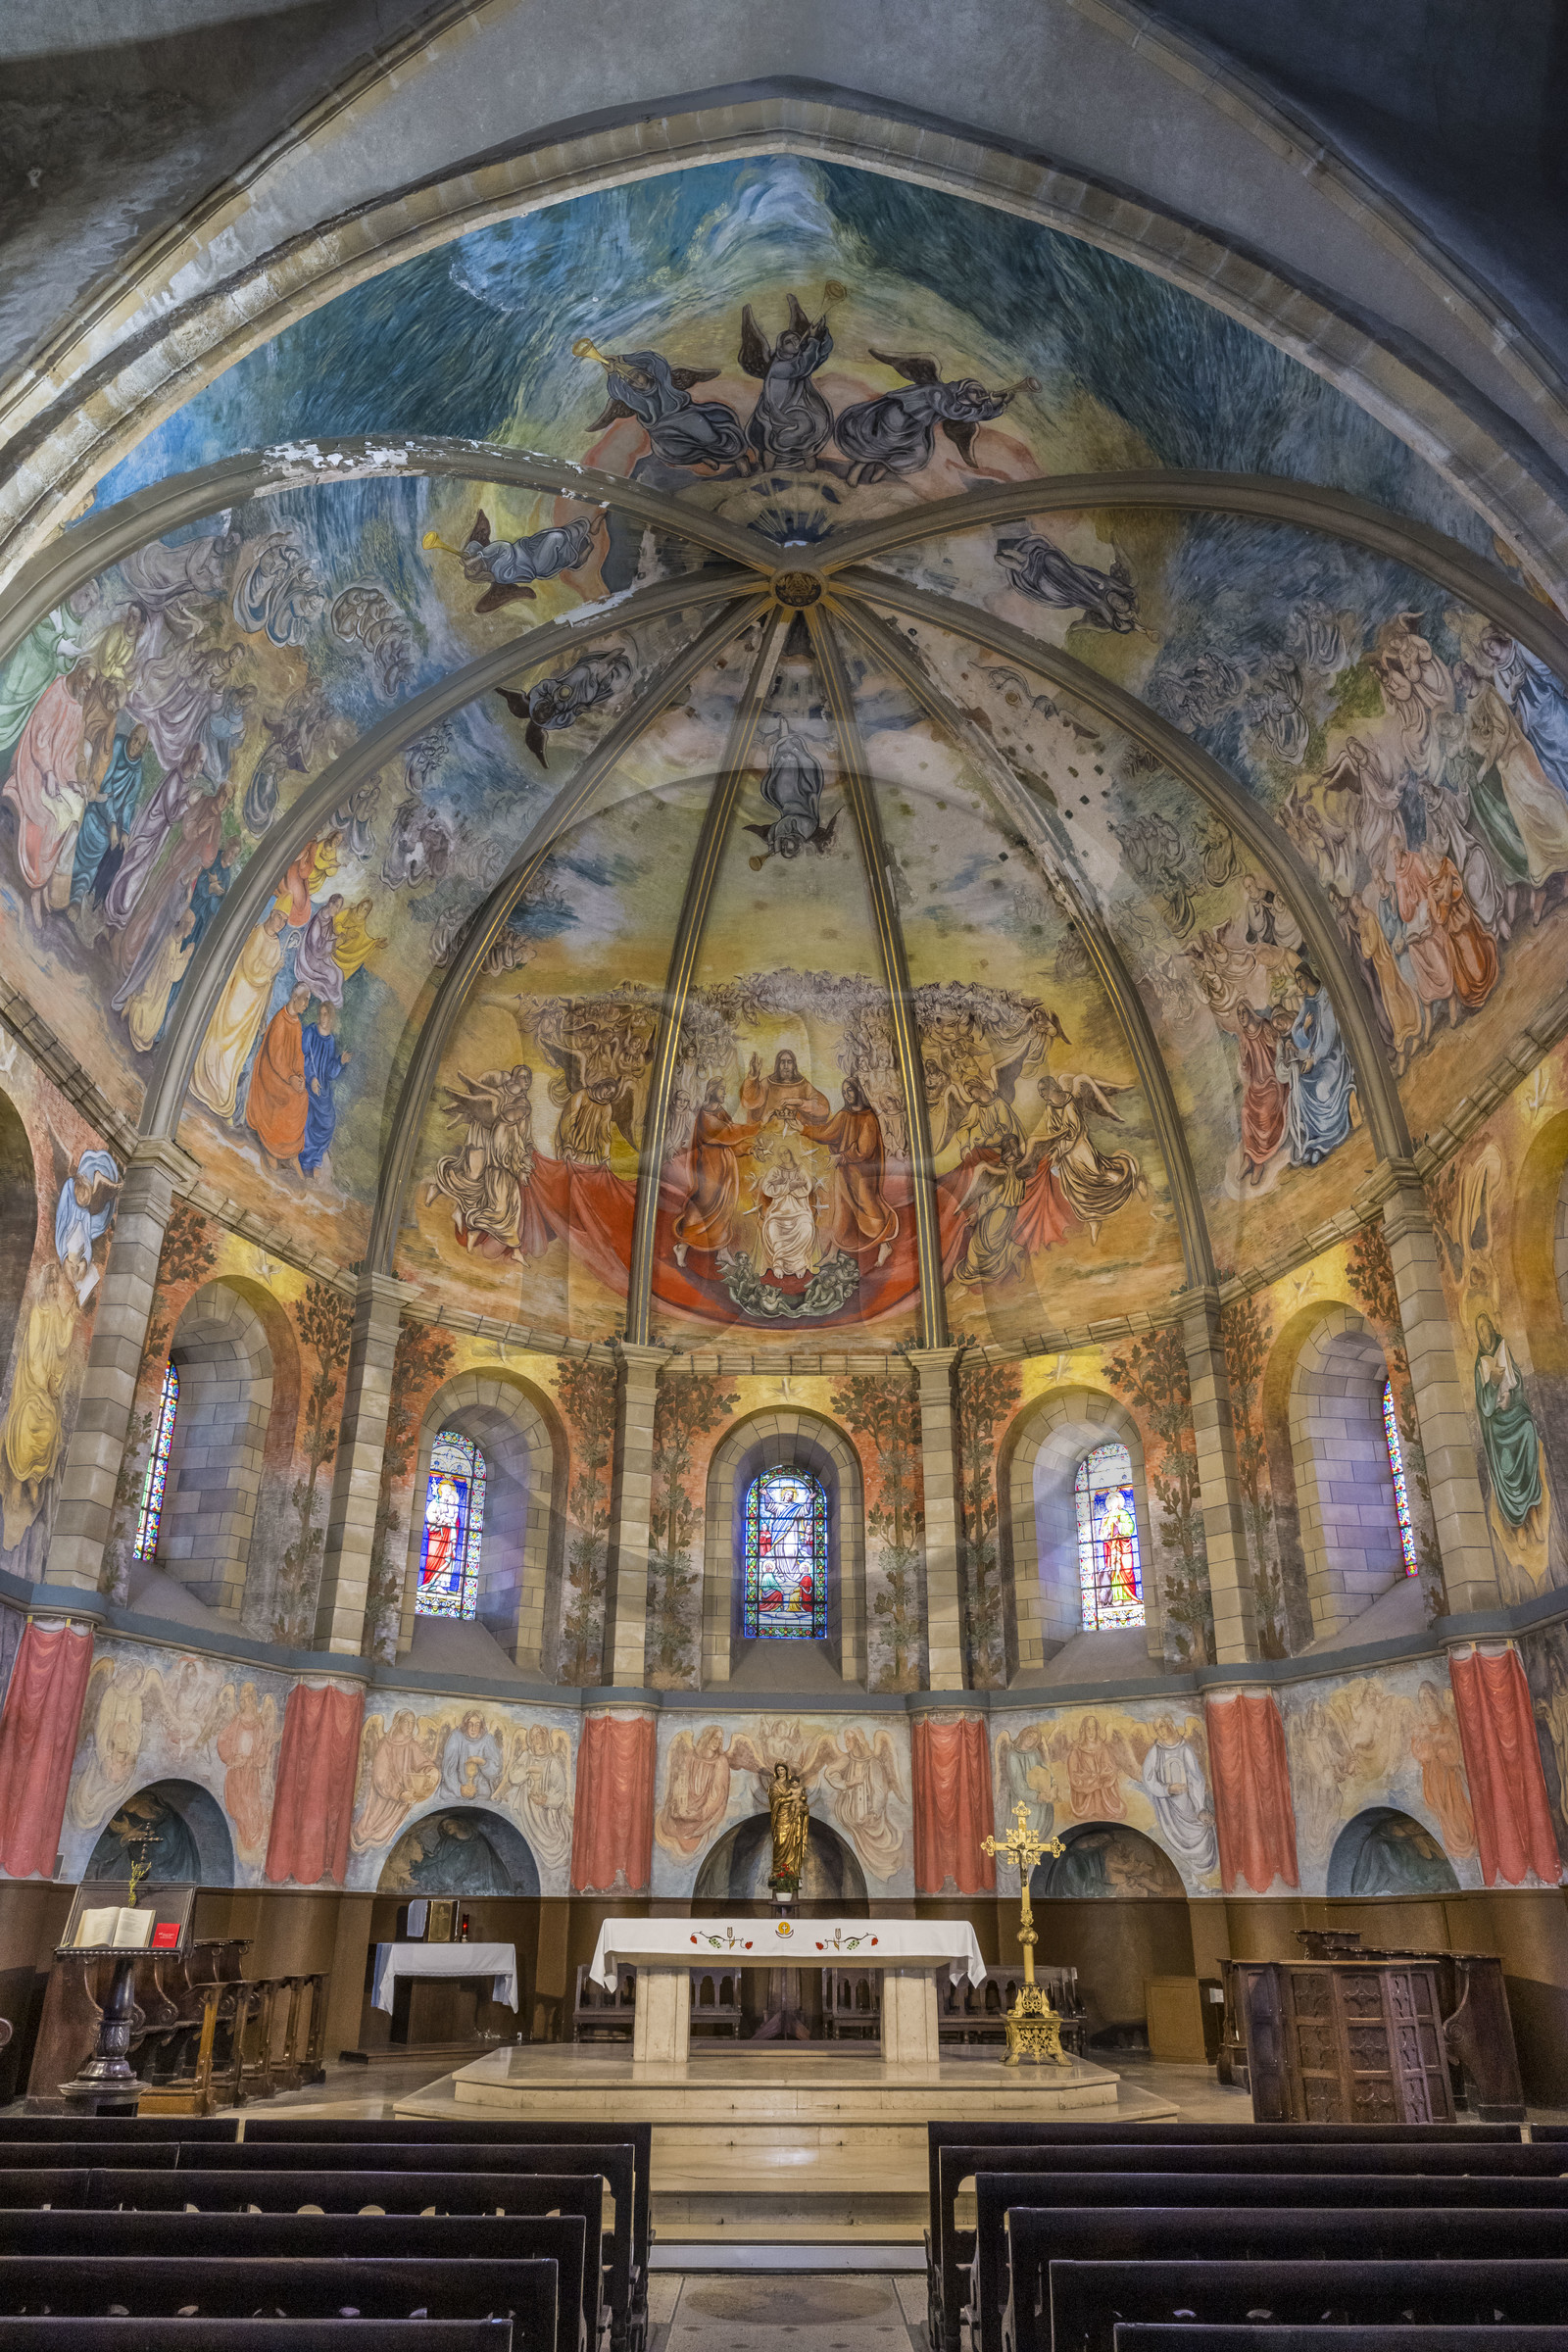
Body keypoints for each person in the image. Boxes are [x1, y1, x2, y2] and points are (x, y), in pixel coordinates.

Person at [192, 907, 287, 1120]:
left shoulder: (276, 944)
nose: (281, 923)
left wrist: (263, 1014)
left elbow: (269, 985)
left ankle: (221, 1092)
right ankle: (205, 1082)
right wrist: (273, 970)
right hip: (238, 995)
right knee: (222, 1038)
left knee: (236, 1050)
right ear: (272, 914)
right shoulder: (257, 933)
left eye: (285, 921)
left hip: (252, 1007)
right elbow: (252, 968)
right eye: (280, 917)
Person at [793, 1079, 899, 1265]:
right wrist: (804, 1129)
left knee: (868, 1207)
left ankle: (885, 1245)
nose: (847, 1095)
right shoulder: (844, 1115)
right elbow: (828, 1132)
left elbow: (864, 1149)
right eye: (844, 1092)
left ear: (858, 1091)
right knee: (842, 1210)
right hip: (844, 1172)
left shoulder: (868, 1117)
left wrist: (842, 1157)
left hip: (863, 1174)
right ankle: (833, 1253)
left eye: (850, 1090)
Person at [738, 293, 836, 469]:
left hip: (796, 408)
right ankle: (768, 471)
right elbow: (802, 366)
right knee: (775, 444)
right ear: (781, 347)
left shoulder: (798, 359)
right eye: (790, 341)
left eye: (797, 339)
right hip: (778, 414)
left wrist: (821, 333)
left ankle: (810, 467)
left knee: (810, 434)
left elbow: (820, 355)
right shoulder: (779, 367)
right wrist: (813, 339)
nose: (795, 342)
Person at [1474, 1312, 1546, 1544]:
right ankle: (1519, 1525)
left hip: (1516, 1413)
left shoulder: (1504, 1349)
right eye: (1480, 1330)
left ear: (1492, 1327)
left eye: (1486, 1327)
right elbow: (1485, 1408)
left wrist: (1510, 1399)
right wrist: (1493, 1384)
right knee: (1506, 1463)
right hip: (1497, 1426)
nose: (1484, 1333)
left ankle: (1533, 1514)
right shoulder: (1480, 1365)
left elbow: (1519, 1382)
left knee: (1528, 1428)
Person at [1274, 964, 1354, 1166]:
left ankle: (1326, 1141)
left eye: (1300, 978)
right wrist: (1305, 1028)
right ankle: (1313, 1142)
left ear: (1309, 976)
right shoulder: (1307, 1003)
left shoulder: (1325, 997)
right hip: (1314, 1060)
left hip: (1331, 1057)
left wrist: (1314, 1058)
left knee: (1321, 1089)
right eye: (1297, 980)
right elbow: (1298, 1036)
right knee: (1301, 1088)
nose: (1299, 983)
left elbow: (1329, 1033)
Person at [673, 1081, 756, 1265]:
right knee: (703, 1205)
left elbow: (731, 1143)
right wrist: (756, 1127)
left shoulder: (720, 1112)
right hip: (710, 1168)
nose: (724, 1093)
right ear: (712, 1091)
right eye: (721, 1089)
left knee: (725, 1207)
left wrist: (750, 1149)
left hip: (726, 1170)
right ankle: (682, 1245)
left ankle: (722, 1251)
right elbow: (728, 1133)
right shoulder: (706, 1115)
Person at [1140, 1717, 1218, 1876]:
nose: (1160, 1731)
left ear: (1171, 1725)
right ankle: (1188, 1875)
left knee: (1202, 1831)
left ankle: (1204, 1874)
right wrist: (1167, 1789)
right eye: (1157, 1728)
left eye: (1162, 1726)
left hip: (1189, 1804)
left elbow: (1196, 1779)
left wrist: (1200, 1808)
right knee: (1176, 1838)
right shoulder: (1156, 1751)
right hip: (1169, 1809)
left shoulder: (1184, 1749)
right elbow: (1148, 1778)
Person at [244, 984, 312, 1170]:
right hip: (271, 1074)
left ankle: (290, 1152)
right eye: (305, 1000)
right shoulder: (280, 1020)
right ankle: (273, 1147)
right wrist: (290, 1077)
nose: (306, 1004)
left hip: (287, 1075)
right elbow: (276, 1056)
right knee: (289, 1097)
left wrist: (300, 1076)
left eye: (308, 1001)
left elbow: (298, 1054)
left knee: (302, 1096)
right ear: (295, 998)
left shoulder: (296, 1023)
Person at [300, 1002, 352, 1178]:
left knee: (328, 1123)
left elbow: (329, 1072)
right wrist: (311, 1078)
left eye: (326, 1014)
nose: (323, 1017)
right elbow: (303, 1056)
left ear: (331, 1018)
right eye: (321, 1013)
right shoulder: (310, 1032)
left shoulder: (330, 1041)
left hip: (322, 1089)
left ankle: (314, 1160)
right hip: (307, 1084)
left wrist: (340, 1062)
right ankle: (303, 1162)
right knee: (308, 1119)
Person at [742, 1048, 829, 1129]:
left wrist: (799, 1102)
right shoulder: (768, 1083)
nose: (786, 1066)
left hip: (796, 1132)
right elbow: (750, 1099)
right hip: (770, 1129)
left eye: (789, 1062)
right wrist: (753, 1076)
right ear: (778, 1065)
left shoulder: (803, 1084)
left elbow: (823, 1108)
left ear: (794, 1065)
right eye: (782, 1062)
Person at [767, 1759, 811, 1886]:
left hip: (793, 1817)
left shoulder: (792, 1784)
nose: (780, 1772)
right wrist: (788, 1799)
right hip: (781, 1817)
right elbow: (775, 1802)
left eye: (782, 1769)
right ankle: (777, 1871)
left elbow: (802, 1800)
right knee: (779, 1842)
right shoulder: (774, 1786)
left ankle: (791, 1872)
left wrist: (803, 1808)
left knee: (793, 1843)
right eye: (778, 1770)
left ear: (787, 1771)